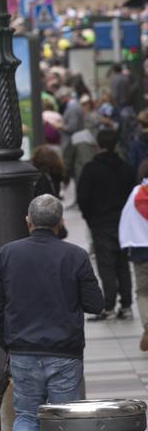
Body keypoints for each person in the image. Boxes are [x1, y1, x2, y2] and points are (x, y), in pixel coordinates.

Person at [0, 194, 104, 431]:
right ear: (60, 223)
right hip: (64, 353)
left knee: (26, 415)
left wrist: (7, 342)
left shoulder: (9, 254)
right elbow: (96, 304)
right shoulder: (75, 256)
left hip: (23, 351)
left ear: (27, 221)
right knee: (62, 423)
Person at [76, 128, 136, 320]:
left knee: (106, 264)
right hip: (123, 222)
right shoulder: (126, 168)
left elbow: (83, 197)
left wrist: (90, 218)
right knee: (122, 263)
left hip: (101, 222)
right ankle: (126, 305)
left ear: (97, 145)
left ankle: (108, 305)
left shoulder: (90, 169)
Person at [118, 177, 148, 351]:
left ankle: (147, 326)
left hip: (140, 249)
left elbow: (126, 218)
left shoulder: (137, 192)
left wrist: (125, 243)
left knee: (143, 292)